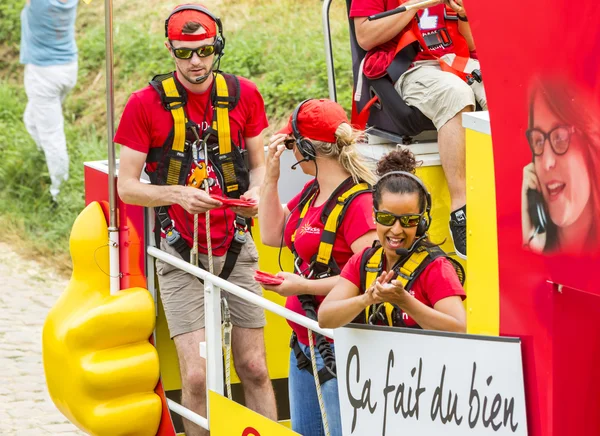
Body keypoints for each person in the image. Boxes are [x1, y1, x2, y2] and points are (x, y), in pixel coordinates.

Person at [114, 4, 276, 435]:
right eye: (185, 53)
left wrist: (257, 191)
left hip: (237, 247)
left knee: (255, 367)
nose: (196, 63)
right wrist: (177, 195)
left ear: (216, 46)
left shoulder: (244, 94)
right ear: (170, 49)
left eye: (205, 51)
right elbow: (126, 186)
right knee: (198, 376)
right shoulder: (144, 104)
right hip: (179, 252)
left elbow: (259, 166)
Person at [259, 98, 378, 436]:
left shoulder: (359, 203)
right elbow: (271, 234)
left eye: (293, 144)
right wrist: (271, 177)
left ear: (309, 148)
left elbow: (368, 278)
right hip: (304, 342)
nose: (292, 152)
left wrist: (303, 288)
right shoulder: (313, 193)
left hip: (340, 347)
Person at [351, 0, 489, 259]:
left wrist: (465, 15)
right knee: (455, 94)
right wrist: (414, 5)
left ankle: (508, 193)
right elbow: (365, 37)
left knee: (508, 92)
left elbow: (471, 45)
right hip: (409, 68)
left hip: (457, 61)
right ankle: (461, 208)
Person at [318, 149, 466, 332]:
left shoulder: (436, 268)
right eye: (387, 219)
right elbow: (325, 318)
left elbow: (459, 328)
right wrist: (367, 299)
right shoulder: (362, 261)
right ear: (375, 217)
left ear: (422, 223)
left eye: (408, 220)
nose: (396, 230)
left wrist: (404, 301)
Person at [521, 78, 600, 255]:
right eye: (538, 141)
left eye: (561, 138)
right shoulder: (540, 244)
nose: (547, 163)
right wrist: (532, 245)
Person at [20, 0, 79, 204]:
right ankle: (42, 158)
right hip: (68, 68)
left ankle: (59, 192)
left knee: (51, 135)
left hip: (43, 73)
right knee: (31, 119)